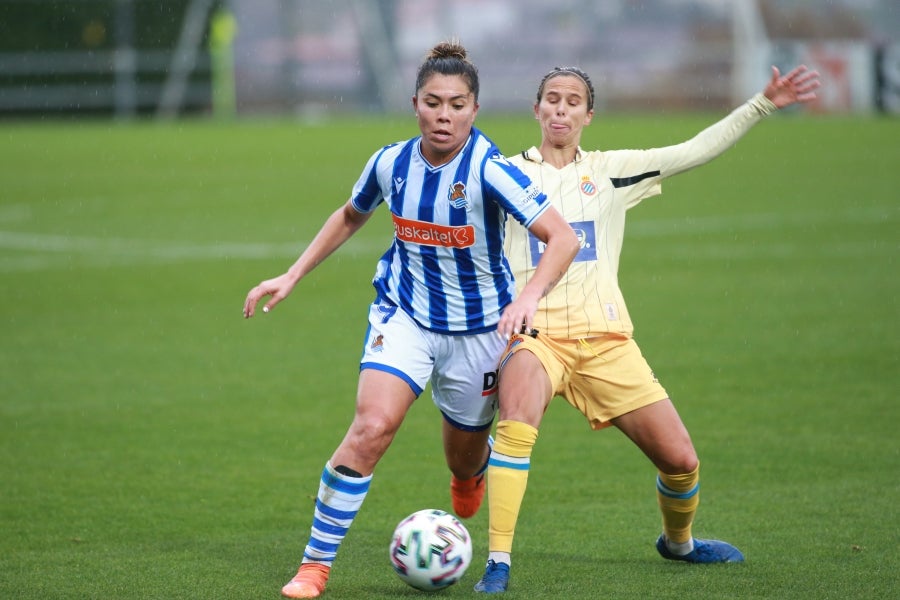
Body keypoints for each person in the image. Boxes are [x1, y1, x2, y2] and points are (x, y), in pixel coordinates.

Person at [242, 40, 579, 599]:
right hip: (404, 316)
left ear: (474, 109)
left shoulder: (491, 171)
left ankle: (468, 475)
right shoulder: (391, 162)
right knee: (371, 428)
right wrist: (293, 274)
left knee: (466, 455)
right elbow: (352, 214)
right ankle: (314, 565)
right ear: (415, 103)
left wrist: (530, 298)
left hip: (479, 332)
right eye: (432, 102)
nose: (443, 116)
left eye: (456, 104)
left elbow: (561, 239)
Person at [473, 63, 821, 593]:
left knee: (681, 461)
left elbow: (693, 151)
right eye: (552, 99)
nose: (561, 109)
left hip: (607, 342)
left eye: (572, 101)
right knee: (517, 423)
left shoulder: (612, 171)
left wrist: (762, 103)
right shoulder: (502, 173)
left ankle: (678, 543)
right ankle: (498, 561)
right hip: (535, 338)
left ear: (589, 115)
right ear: (536, 109)